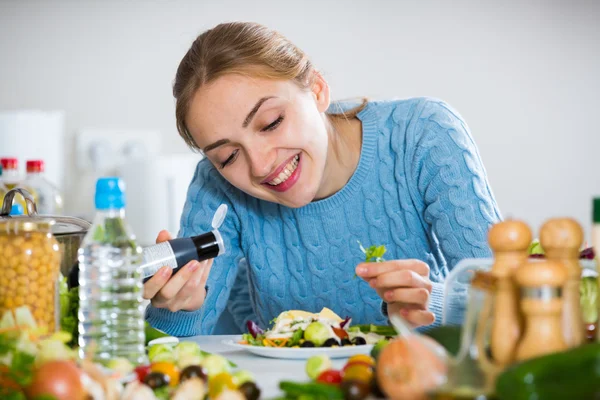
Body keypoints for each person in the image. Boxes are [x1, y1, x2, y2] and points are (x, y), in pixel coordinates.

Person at [143, 21, 502, 336]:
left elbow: (508, 298)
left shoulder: (422, 133)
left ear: (317, 91)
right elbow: (170, 354)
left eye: (270, 123)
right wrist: (179, 308)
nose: (260, 165)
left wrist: (433, 302)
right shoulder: (215, 185)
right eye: (228, 155)